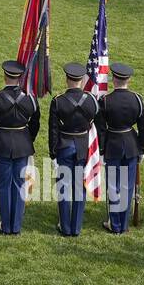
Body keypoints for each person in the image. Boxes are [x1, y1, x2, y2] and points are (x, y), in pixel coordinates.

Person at [0, 60, 41, 235]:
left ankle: (6, 225)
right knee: (19, 184)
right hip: (22, 144)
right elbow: (36, 123)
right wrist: (27, 137)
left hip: (1, 143)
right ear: (19, 78)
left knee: (3, 185)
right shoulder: (30, 99)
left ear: (4, 76)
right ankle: (15, 226)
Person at [48, 63, 99, 237]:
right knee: (80, 188)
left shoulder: (58, 101)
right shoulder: (92, 100)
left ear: (67, 79)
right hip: (84, 147)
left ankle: (65, 225)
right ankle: (75, 227)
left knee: (63, 187)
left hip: (64, 146)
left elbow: (53, 130)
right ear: (82, 80)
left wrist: (52, 153)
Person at [98, 63, 144, 234]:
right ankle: (123, 224)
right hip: (132, 145)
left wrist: (101, 150)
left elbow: (102, 130)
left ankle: (115, 223)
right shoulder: (138, 99)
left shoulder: (105, 101)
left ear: (113, 80)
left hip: (113, 145)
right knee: (127, 186)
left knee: (114, 185)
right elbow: (143, 127)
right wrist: (143, 148)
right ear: (129, 80)